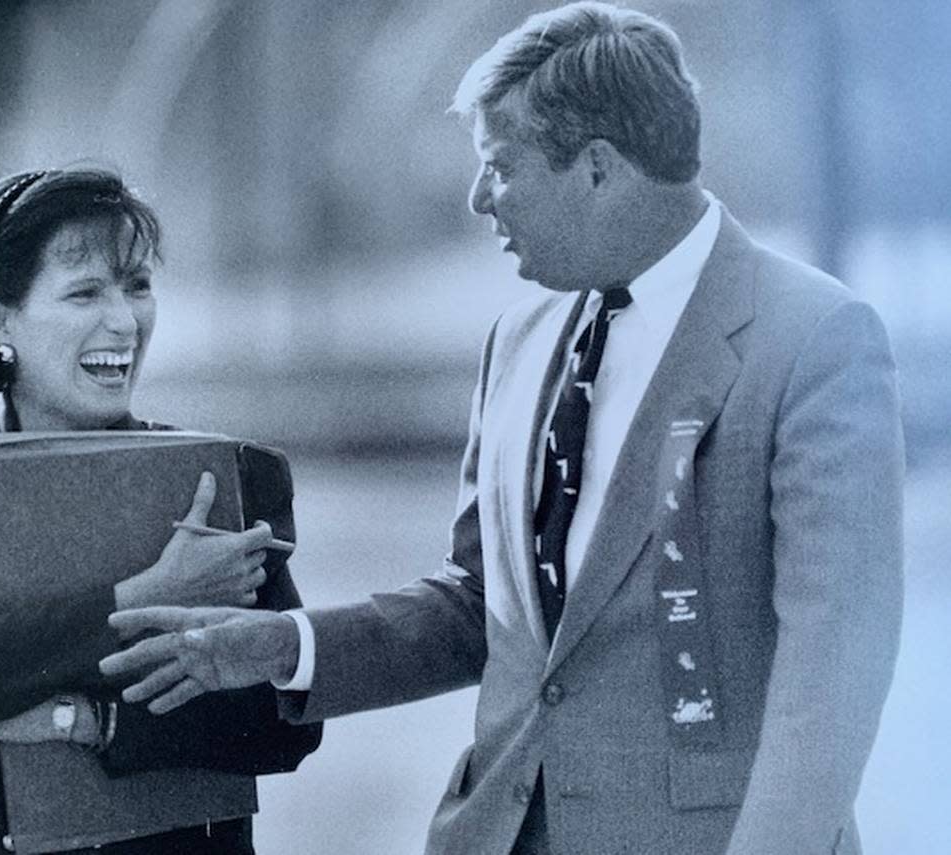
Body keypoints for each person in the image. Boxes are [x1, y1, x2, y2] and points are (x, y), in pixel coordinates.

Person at [100, 4, 904, 854]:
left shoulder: (815, 341)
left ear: (598, 168)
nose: (478, 198)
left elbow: (834, 676)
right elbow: (479, 607)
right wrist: (288, 646)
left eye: (501, 166)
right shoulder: (519, 342)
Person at [0, 167, 321, 855]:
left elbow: (284, 720)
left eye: (138, 286)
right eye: (84, 292)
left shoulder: (234, 476)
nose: (122, 320)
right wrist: (150, 595)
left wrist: (86, 720)